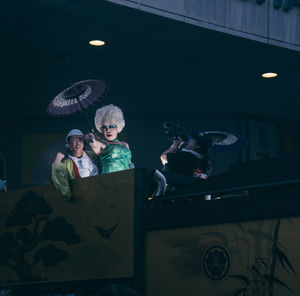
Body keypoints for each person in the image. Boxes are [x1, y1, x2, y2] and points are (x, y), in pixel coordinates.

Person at [51, 129, 100, 200]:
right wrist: (57, 160)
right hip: (82, 197)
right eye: (74, 140)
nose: (78, 143)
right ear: (68, 143)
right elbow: (59, 177)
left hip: (98, 192)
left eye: (80, 139)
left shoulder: (91, 155)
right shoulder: (66, 163)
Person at [87, 104, 132, 174]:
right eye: (104, 127)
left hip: (127, 179)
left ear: (117, 126)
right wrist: (92, 139)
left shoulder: (125, 144)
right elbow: (93, 143)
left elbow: (130, 164)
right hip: (109, 180)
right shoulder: (100, 144)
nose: (107, 130)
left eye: (111, 126)